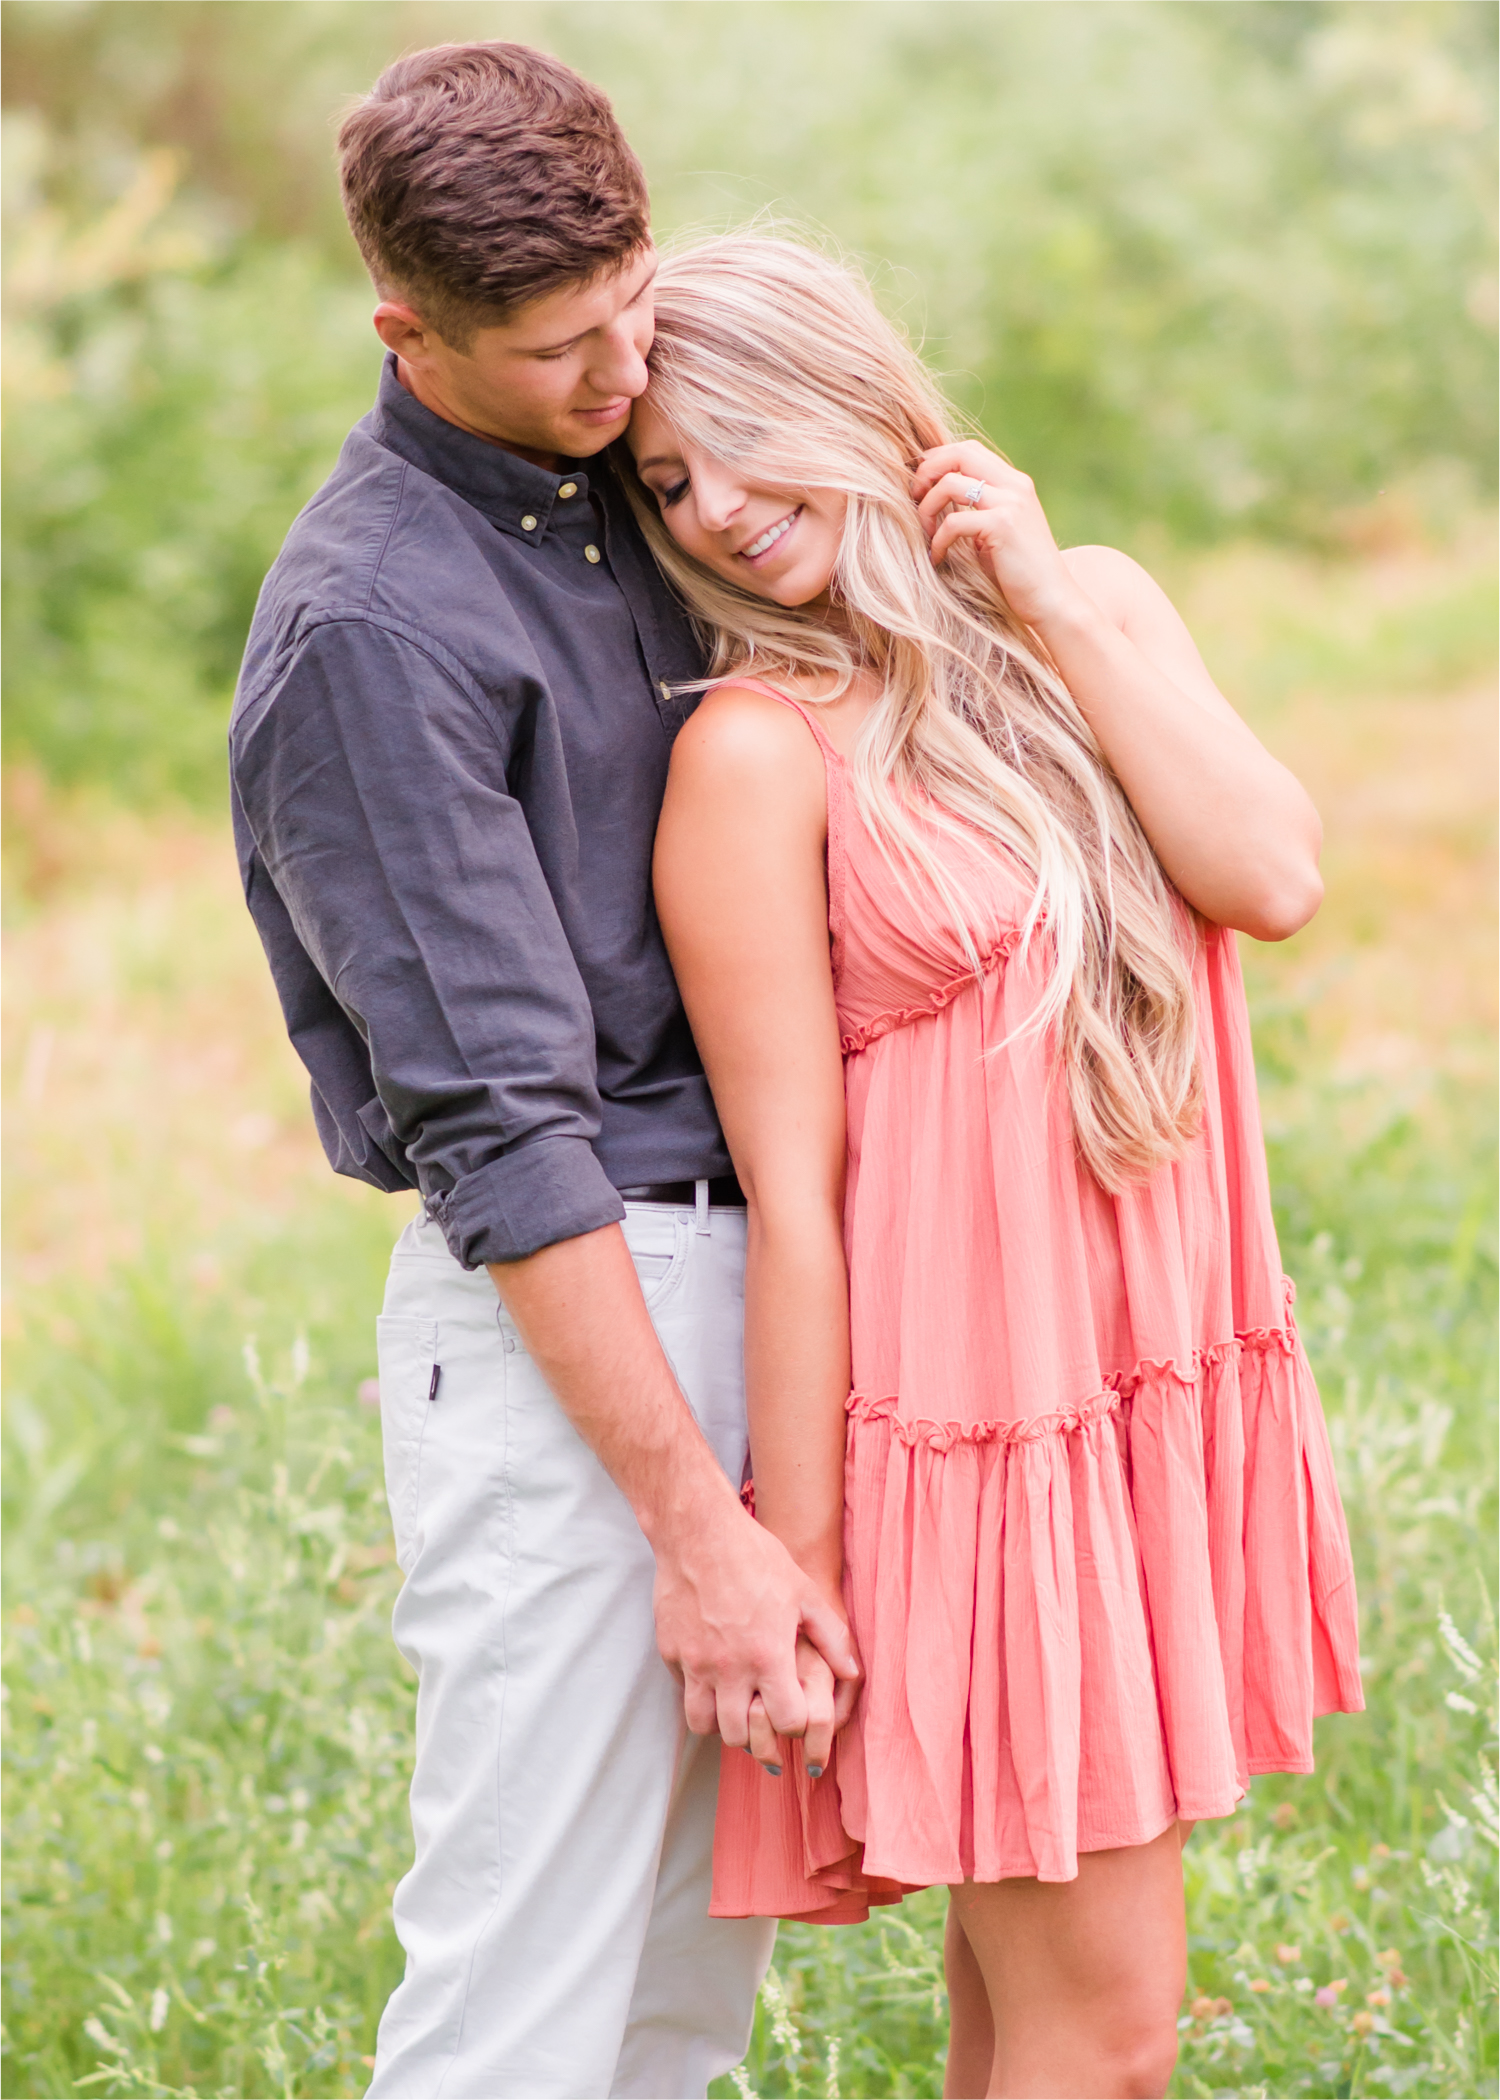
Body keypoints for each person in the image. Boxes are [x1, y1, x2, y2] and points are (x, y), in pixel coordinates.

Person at [625, 234, 1365, 2100]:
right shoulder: (753, 752)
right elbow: (795, 1193)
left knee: (1031, 2028)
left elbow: (1268, 878)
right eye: (666, 482)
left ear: (850, 400)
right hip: (982, 1445)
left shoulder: (1087, 614)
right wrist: (797, 1558)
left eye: (737, 445)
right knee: (1101, 2041)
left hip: (1143, 1396)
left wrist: (1043, 595)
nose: (713, 511)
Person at [229, 49, 857, 2100]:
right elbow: (500, 1133)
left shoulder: (639, 477)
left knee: (678, 2004)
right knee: (521, 2003)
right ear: (405, 330)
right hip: (572, 1329)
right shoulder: (372, 634)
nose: (616, 382)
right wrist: (701, 1528)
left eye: (629, 312)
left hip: (754, 1268)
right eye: (555, 352)